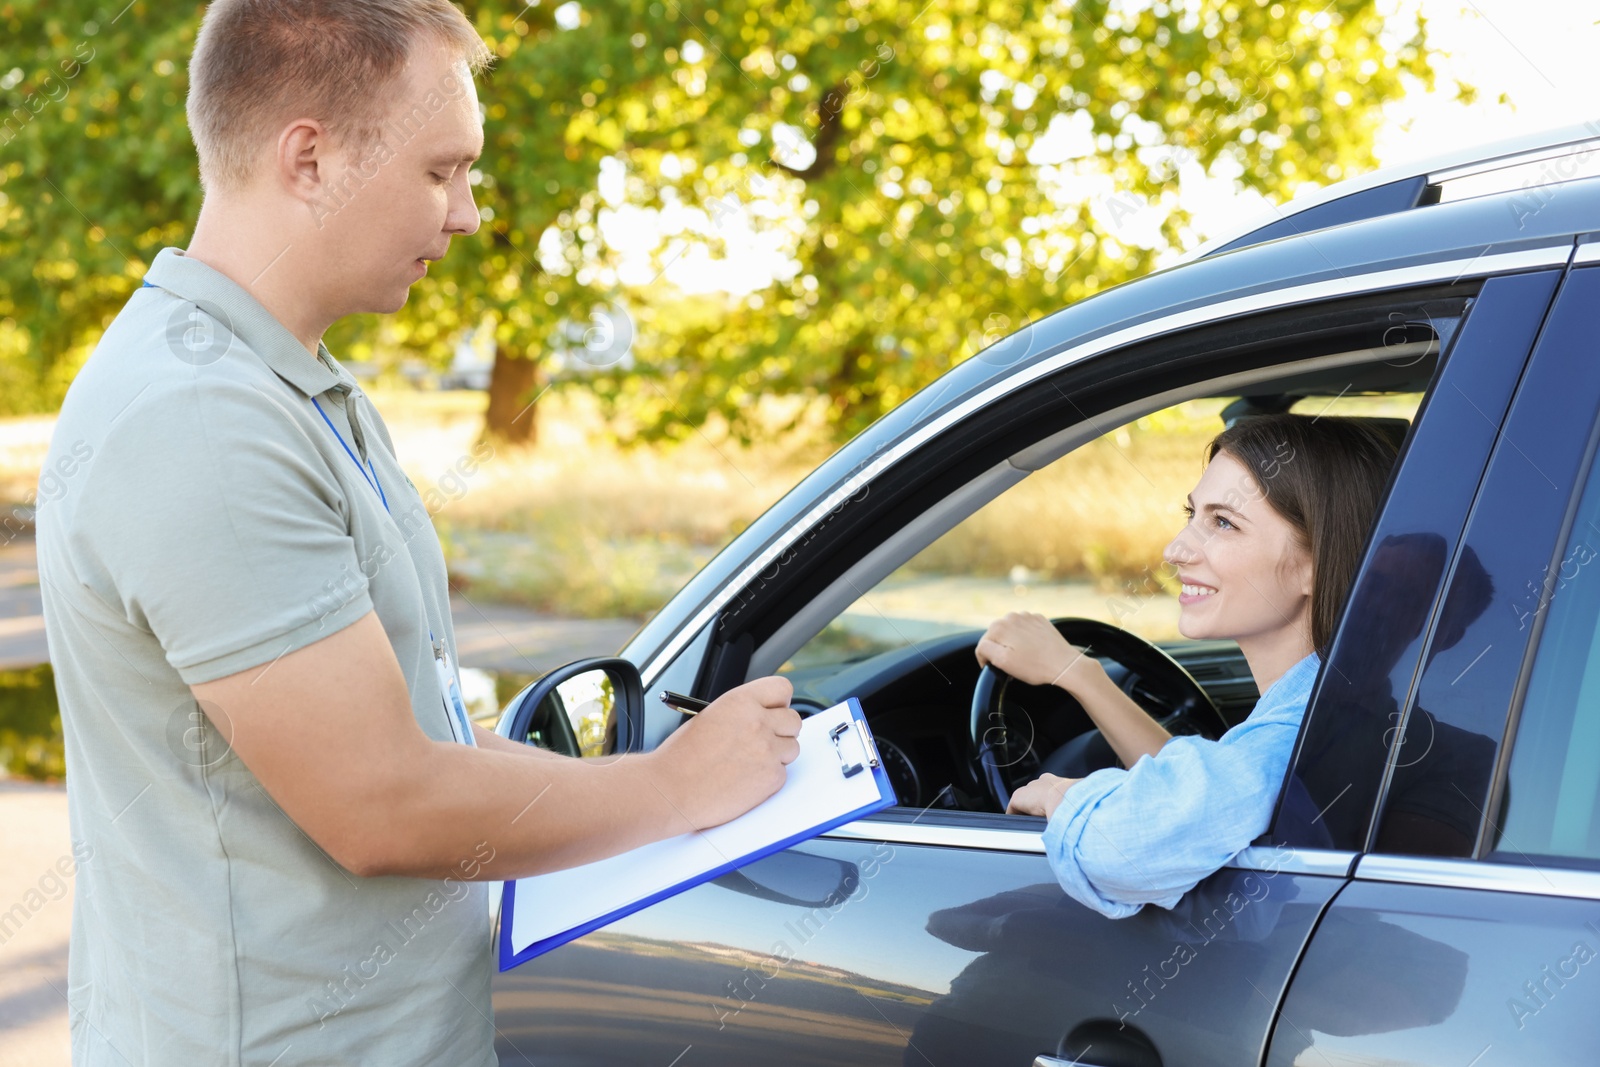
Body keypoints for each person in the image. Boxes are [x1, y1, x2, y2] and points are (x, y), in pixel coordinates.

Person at [34, 3, 800, 1065]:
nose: (469, 212)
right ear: (311, 158)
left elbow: (422, 734)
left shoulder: (297, 388)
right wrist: (674, 787)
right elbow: (381, 801)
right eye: (443, 170)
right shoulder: (198, 415)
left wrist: (623, 788)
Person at [975, 413, 1396, 917]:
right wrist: (1077, 674)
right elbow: (1210, 788)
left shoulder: (1297, 736)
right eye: (1191, 514)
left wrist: (1064, 796)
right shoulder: (1341, 701)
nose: (1174, 551)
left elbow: (1124, 847)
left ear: (1317, 564)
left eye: (1223, 523)